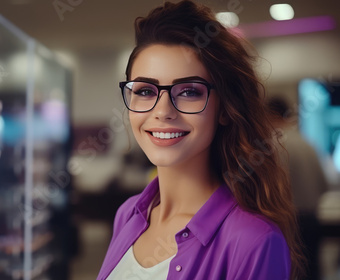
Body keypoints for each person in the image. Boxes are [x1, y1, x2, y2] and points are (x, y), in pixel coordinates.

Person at [97, 1, 305, 279]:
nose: (162, 111)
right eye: (146, 91)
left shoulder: (253, 240)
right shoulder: (128, 214)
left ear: (223, 110)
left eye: (189, 92)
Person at [268, 96, 329, 280]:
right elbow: (323, 184)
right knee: (312, 271)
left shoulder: (272, 146)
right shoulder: (308, 144)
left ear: (271, 115)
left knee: (292, 272)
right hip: (312, 219)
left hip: (289, 222)